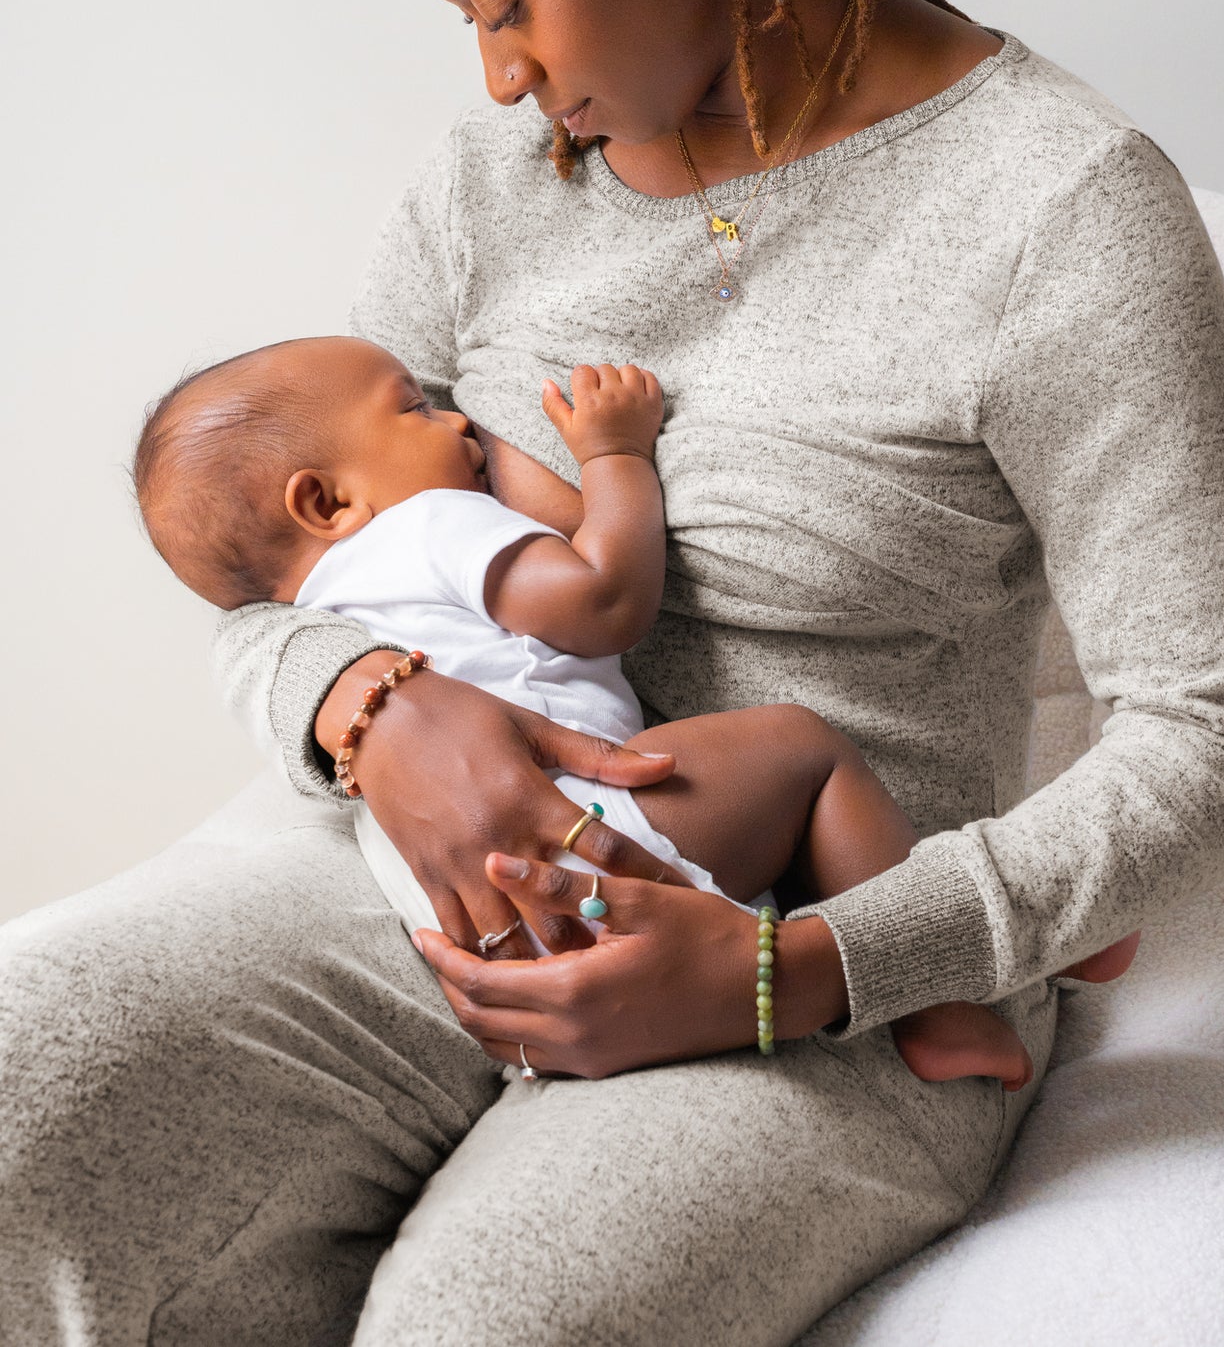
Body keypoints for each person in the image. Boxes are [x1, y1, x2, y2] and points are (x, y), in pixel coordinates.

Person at [0, 0, 1224, 1347]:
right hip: (402, 887)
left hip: (814, 968)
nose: (499, 71)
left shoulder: (1060, 212)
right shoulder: (487, 184)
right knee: (19, 1098)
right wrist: (374, 711)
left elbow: (1217, 741)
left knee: (486, 1323)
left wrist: (812, 968)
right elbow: (278, 571)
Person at [131, 332, 1142, 1092]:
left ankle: (1005, 941)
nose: (455, 425)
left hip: (490, 937)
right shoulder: (430, 525)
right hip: (596, 837)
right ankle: (943, 999)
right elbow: (601, 600)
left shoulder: (325, 617)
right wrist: (615, 455)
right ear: (325, 501)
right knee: (801, 748)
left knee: (774, 830)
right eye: (413, 409)